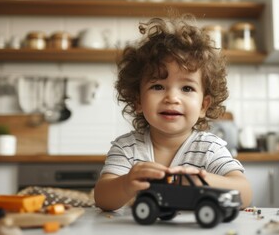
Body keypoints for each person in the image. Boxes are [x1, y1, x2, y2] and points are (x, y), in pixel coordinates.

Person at [94, 15, 252, 211]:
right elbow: (102, 198)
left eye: (186, 88)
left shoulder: (209, 149)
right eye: (158, 86)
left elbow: (244, 194)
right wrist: (126, 183)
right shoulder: (127, 148)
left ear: (204, 105)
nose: (172, 98)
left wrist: (201, 180)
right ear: (138, 101)